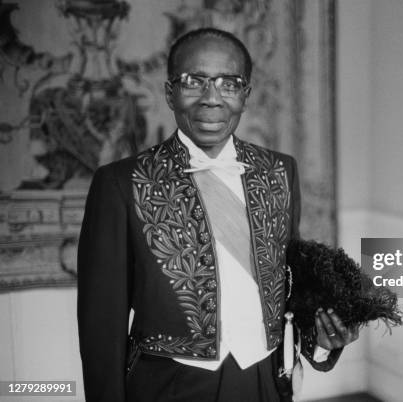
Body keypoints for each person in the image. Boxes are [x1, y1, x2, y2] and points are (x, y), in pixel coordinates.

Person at [77, 27, 358, 402]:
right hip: (169, 384)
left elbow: (287, 286)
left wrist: (321, 341)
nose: (212, 99)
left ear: (246, 95)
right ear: (170, 92)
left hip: (265, 379)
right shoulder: (120, 183)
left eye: (229, 83)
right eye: (194, 81)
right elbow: (101, 323)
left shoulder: (279, 171)